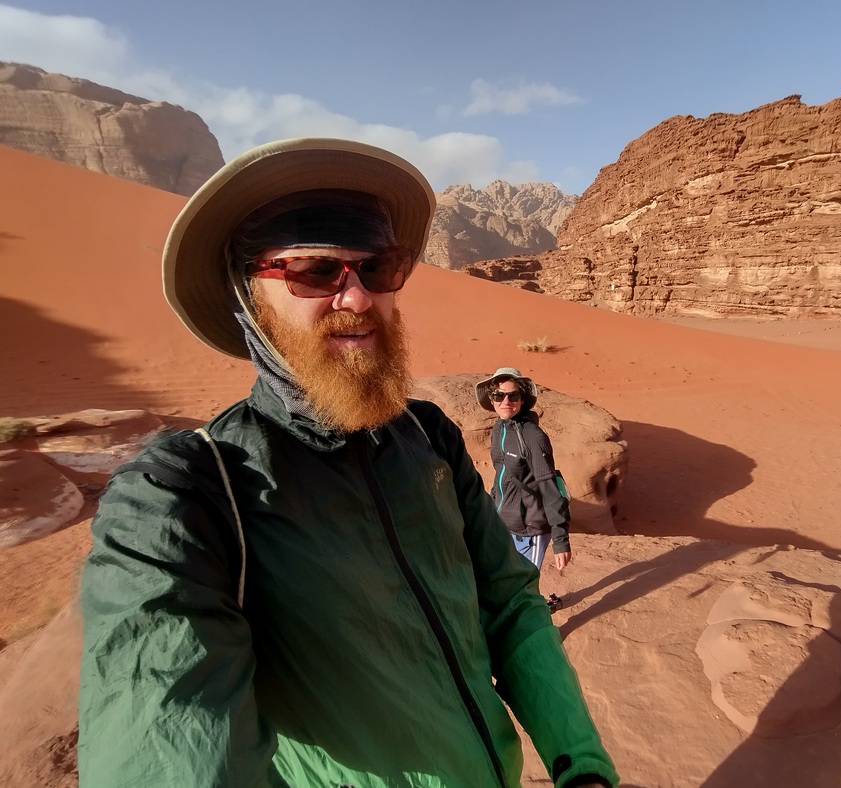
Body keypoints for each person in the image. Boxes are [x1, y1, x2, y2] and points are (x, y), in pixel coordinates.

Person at [77, 138, 618, 788]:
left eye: (378, 267)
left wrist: (580, 763)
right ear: (245, 293)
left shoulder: (428, 435)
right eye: (314, 270)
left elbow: (507, 602)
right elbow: (165, 732)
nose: (358, 298)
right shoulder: (184, 493)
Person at [475, 368, 571, 613]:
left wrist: (560, 540)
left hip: (531, 528)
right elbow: (501, 476)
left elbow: (550, 489)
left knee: (525, 585)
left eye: (513, 395)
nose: (506, 401)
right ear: (492, 399)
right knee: (507, 582)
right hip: (505, 524)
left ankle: (537, 622)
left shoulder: (533, 437)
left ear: (522, 399)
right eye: (499, 395)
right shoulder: (499, 429)